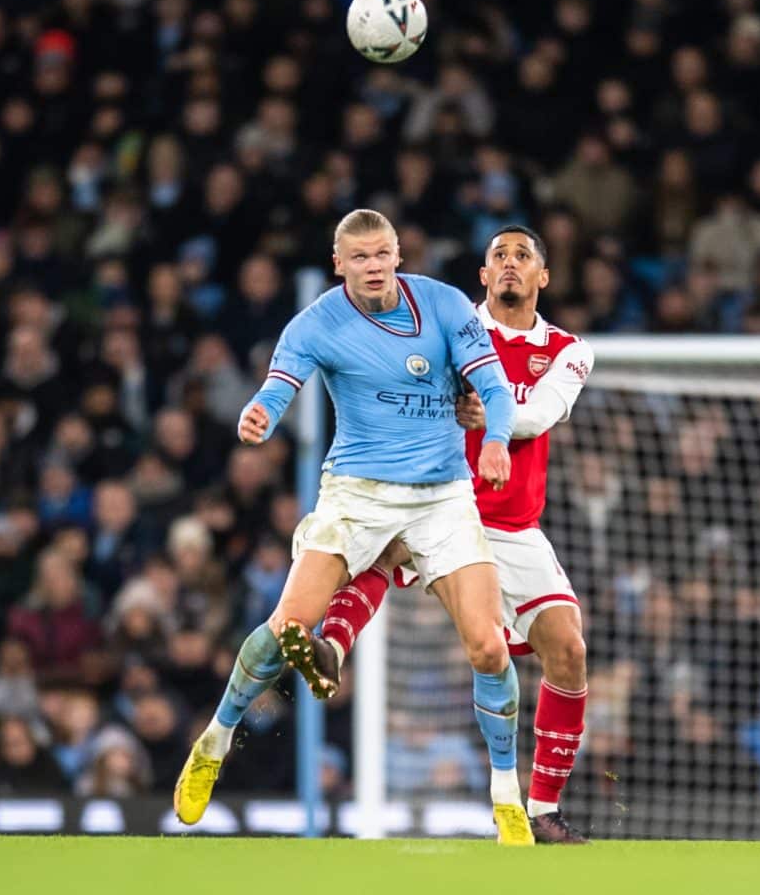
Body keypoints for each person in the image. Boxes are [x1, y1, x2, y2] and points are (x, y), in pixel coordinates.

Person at [173, 209, 533, 844]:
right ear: (338, 264)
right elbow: (278, 387)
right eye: (360, 257)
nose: (373, 267)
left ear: (398, 255)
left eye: (382, 254)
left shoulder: (446, 305)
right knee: (287, 624)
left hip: (443, 497)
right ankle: (215, 740)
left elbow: (495, 388)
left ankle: (506, 794)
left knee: (488, 646)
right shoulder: (316, 323)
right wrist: (260, 413)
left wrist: (498, 440)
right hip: (357, 494)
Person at [300, 225, 595, 843]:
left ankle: (542, 809)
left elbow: (541, 413)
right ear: (482, 276)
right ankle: (331, 648)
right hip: (438, 501)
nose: (509, 263)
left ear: (543, 277)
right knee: (385, 545)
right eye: (498, 255)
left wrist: (492, 412)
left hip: (513, 526)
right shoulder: (447, 327)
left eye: (522, 256)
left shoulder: (568, 351)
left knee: (568, 648)